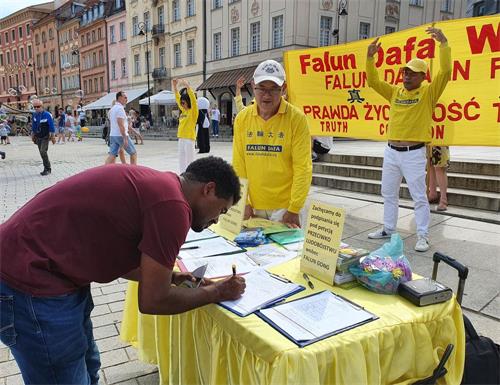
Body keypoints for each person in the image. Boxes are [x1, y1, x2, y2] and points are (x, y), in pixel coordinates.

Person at [0, 156, 246, 385]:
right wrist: (218, 292)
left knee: (87, 365)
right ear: (209, 189)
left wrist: (169, 276)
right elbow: (153, 300)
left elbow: (113, 250)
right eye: (221, 210)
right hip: (28, 283)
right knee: (63, 377)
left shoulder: (163, 188)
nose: (217, 220)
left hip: (50, 273)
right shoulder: (173, 207)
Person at [366, 27, 451, 252]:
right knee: (388, 193)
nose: (407, 76)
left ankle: (422, 235)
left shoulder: (428, 94)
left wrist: (444, 45)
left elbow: (446, 73)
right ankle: (388, 228)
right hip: (391, 151)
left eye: (413, 73)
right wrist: (369, 57)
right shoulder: (395, 92)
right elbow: (373, 82)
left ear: (424, 77)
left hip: (414, 153)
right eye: (405, 72)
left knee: (419, 196)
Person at [232, 59, 312, 228]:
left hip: (285, 209)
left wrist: (294, 208)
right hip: (252, 207)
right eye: (261, 88)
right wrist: (243, 202)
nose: (266, 95)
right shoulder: (242, 119)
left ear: (283, 88)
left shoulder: (296, 119)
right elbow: (239, 165)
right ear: (253, 86)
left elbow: (303, 167)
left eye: (274, 89)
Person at [105, 91, 137, 165]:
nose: (127, 99)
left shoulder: (112, 109)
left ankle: (102, 172)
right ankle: (133, 173)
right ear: (119, 98)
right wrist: (125, 138)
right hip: (120, 135)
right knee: (133, 153)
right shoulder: (120, 109)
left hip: (113, 135)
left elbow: (113, 123)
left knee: (112, 156)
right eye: (125, 97)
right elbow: (120, 125)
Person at [173, 78, 198, 173]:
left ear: (188, 102)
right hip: (181, 138)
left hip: (189, 139)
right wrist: (175, 87)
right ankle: (182, 175)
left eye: (183, 102)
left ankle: (191, 176)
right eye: (181, 103)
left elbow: (194, 101)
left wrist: (187, 87)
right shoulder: (183, 111)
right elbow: (177, 98)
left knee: (190, 160)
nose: (182, 104)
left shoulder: (193, 112)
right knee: (182, 160)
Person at [31, 99, 56, 176]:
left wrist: (53, 136)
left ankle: (48, 168)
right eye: (34, 107)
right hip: (38, 136)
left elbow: (51, 126)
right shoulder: (35, 115)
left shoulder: (47, 115)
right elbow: (34, 126)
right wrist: (32, 135)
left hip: (45, 136)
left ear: (42, 106)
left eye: (37, 106)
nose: (36, 108)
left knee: (43, 151)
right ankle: (46, 168)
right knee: (41, 153)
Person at [427, 146, 450, 211]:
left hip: (440, 139)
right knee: (430, 165)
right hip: (428, 139)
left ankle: (443, 199)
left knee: (440, 166)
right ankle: (432, 193)